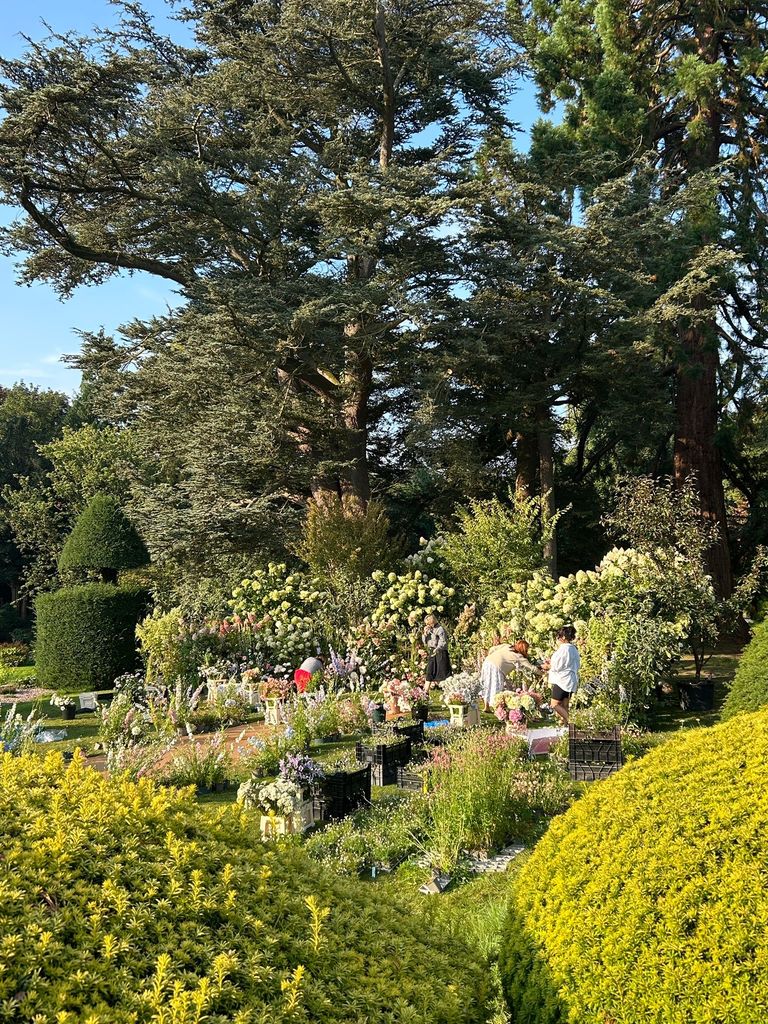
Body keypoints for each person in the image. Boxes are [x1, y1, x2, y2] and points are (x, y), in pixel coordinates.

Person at [542, 625, 580, 725]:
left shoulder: (564, 649)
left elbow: (556, 666)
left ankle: (572, 722)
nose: (557, 639)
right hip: (571, 680)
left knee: (554, 704)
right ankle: (566, 727)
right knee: (565, 705)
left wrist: (547, 666)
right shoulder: (574, 649)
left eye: (558, 637)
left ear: (563, 637)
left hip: (562, 681)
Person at [480, 638, 536, 706]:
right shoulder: (519, 656)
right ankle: (496, 706)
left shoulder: (507, 646)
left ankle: (487, 706)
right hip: (497, 668)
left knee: (487, 684)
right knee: (496, 688)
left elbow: (492, 649)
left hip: (487, 662)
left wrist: (491, 656)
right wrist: (543, 673)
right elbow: (532, 668)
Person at [423, 614, 451, 687]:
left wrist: (437, 648)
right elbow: (425, 642)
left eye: (428, 623)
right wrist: (425, 634)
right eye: (426, 623)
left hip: (440, 651)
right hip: (432, 651)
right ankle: (425, 692)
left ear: (432, 621)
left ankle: (447, 690)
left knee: (442, 672)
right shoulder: (429, 629)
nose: (427, 625)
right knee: (430, 670)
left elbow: (443, 641)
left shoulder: (440, 629)